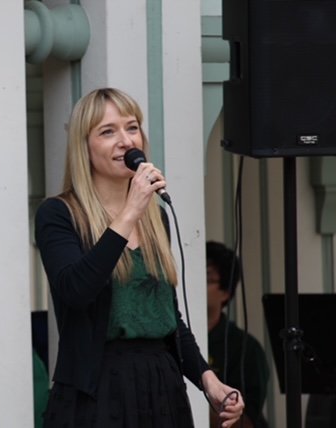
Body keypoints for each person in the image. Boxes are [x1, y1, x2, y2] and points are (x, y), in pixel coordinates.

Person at [34, 87, 244, 427]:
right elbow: (75, 290)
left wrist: (208, 380)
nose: (125, 140)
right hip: (97, 388)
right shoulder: (60, 214)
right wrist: (130, 210)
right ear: (83, 147)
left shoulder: (154, 217)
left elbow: (167, 317)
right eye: (107, 131)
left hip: (161, 387)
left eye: (131, 127)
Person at [207, 241, 270, 428]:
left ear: (226, 292)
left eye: (207, 278)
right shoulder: (171, 339)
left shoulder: (246, 349)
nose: (196, 283)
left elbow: (248, 420)